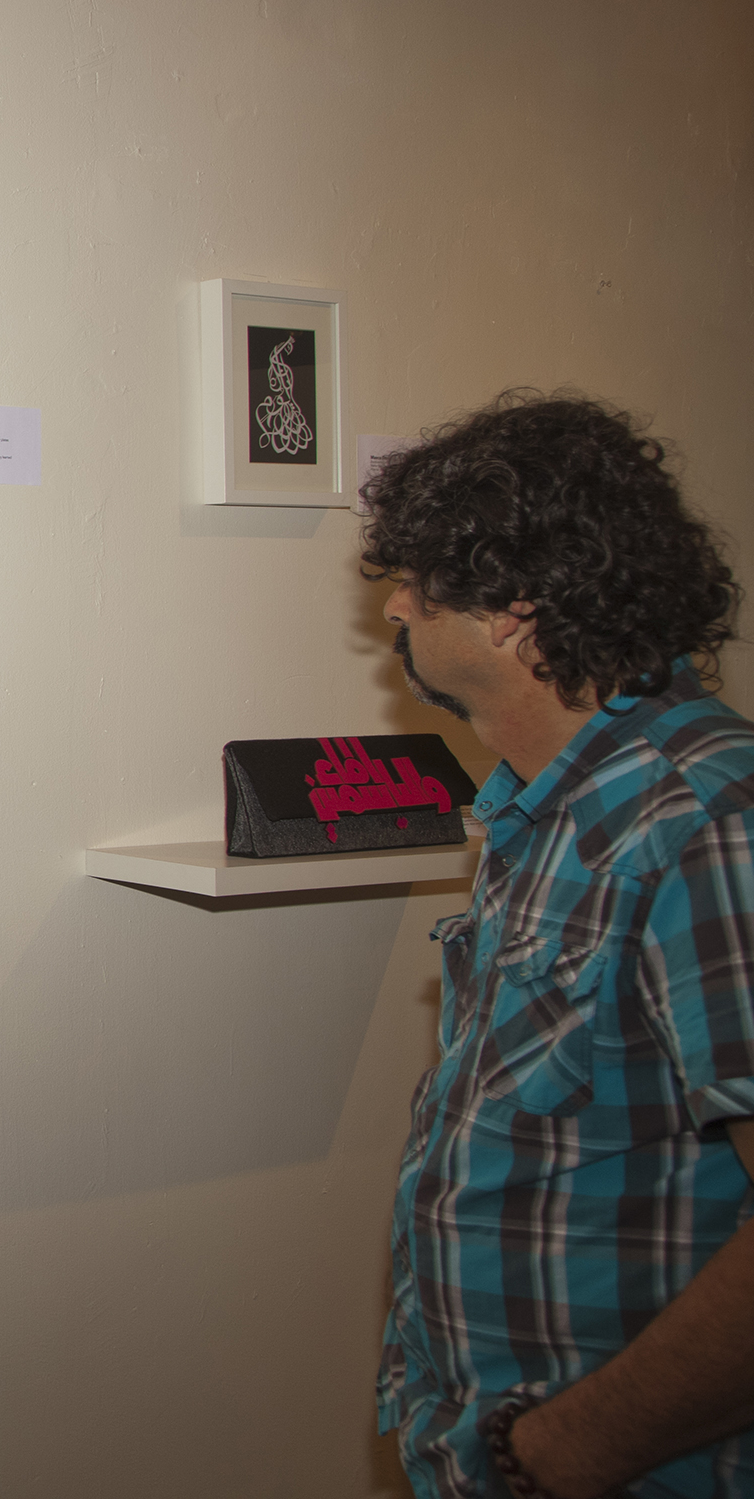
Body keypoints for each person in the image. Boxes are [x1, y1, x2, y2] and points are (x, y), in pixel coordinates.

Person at [365, 391, 752, 1498]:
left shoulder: (704, 817)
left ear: (512, 615)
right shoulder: (547, 811)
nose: (395, 605)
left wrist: (559, 1458)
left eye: (420, 581)